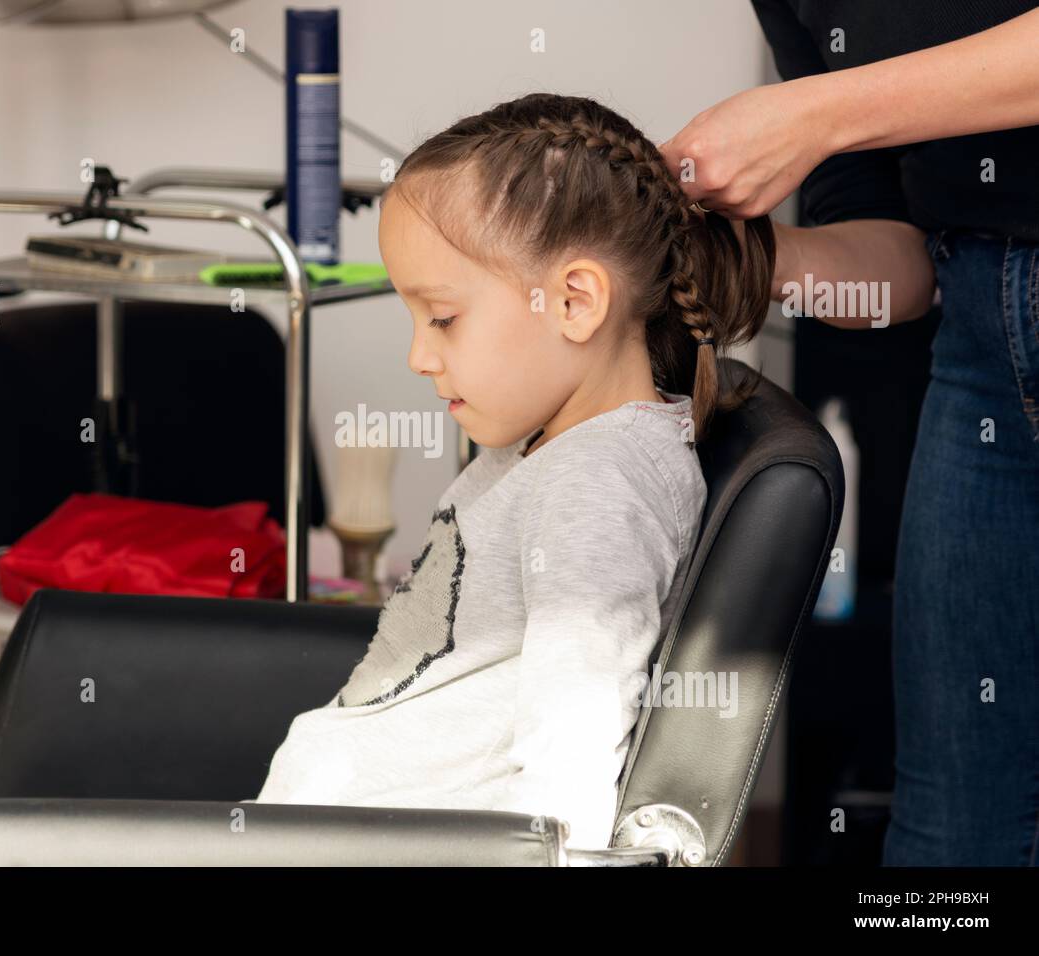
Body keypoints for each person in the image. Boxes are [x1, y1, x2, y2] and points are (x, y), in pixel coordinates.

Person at [251, 92, 774, 850]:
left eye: (442, 316)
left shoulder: (596, 483)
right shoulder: (550, 449)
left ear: (574, 301)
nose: (418, 356)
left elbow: (572, 751)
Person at [659, 3, 1039, 865]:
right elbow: (900, 268)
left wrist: (817, 114)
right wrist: (745, 257)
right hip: (981, 350)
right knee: (951, 834)